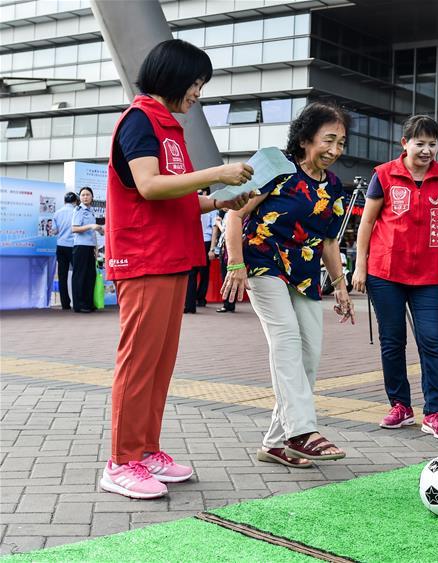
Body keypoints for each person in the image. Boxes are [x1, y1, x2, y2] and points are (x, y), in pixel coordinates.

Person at [101, 39, 253, 499]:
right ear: (174, 76)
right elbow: (149, 186)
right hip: (144, 257)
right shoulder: (140, 120)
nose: (198, 93)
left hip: (169, 257)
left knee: (159, 364)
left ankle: (146, 450)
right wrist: (216, 173)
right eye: (196, 83)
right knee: (139, 363)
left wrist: (220, 201)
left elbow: (176, 196)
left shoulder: (168, 127)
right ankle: (120, 461)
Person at [223, 101, 353, 468]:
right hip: (264, 262)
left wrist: (340, 286)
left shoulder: (334, 187)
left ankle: (275, 444)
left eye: (341, 143)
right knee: (286, 340)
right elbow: (235, 213)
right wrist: (235, 264)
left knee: (309, 353)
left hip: (306, 273)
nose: (334, 150)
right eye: (329, 140)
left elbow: (329, 242)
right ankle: (301, 432)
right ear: (305, 138)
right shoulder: (278, 168)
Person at [352, 115, 438, 441]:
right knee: (392, 341)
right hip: (385, 272)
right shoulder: (384, 175)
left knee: (432, 342)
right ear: (405, 143)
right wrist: (360, 266)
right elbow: (367, 222)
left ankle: (434, 412)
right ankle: (400, 406)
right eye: (420, 143)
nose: (427, 150)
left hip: (429, 275)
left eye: (432, 144)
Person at [71, 187, 102, 313]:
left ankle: (88, 303)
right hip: (80, 246)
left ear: (92, 197)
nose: (85, 197)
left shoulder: (91, 211)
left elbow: (92, 232)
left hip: (90, 247)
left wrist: (96, 246)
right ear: (80, 197)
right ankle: (79, 305)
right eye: (83, 195)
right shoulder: (78, 210)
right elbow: (74, 229)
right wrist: (90, 226)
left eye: (88, 194)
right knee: (80, 276)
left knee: (90, 275)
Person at [185, 189, 216, 313]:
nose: (197, 194)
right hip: (194, 240)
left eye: (200, 192)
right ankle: (191, 303)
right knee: (192, 273)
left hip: (206, 241)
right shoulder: (191, 204)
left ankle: (200, 299)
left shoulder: (212, 207)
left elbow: (214, 228)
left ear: (206, 193)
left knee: (203, 273)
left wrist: (212, 248)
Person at [53, 192, 78, 310]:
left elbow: (54, 231)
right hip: (74, 246)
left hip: (61, 246)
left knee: (62, 275)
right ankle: (77, 302)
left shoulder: (57, 213)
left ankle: (65, 304)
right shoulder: (77, 211)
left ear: (64, 201)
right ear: (75, 201)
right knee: (77, 274)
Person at [210, 211, 237, 313]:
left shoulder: (232, 214)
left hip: (229, 251)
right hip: (223, 249)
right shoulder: (225, 214)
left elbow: (226, 233)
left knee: (229, 275)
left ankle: (229, 304)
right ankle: (228, 304)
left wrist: (218, 224)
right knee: (225, 276)